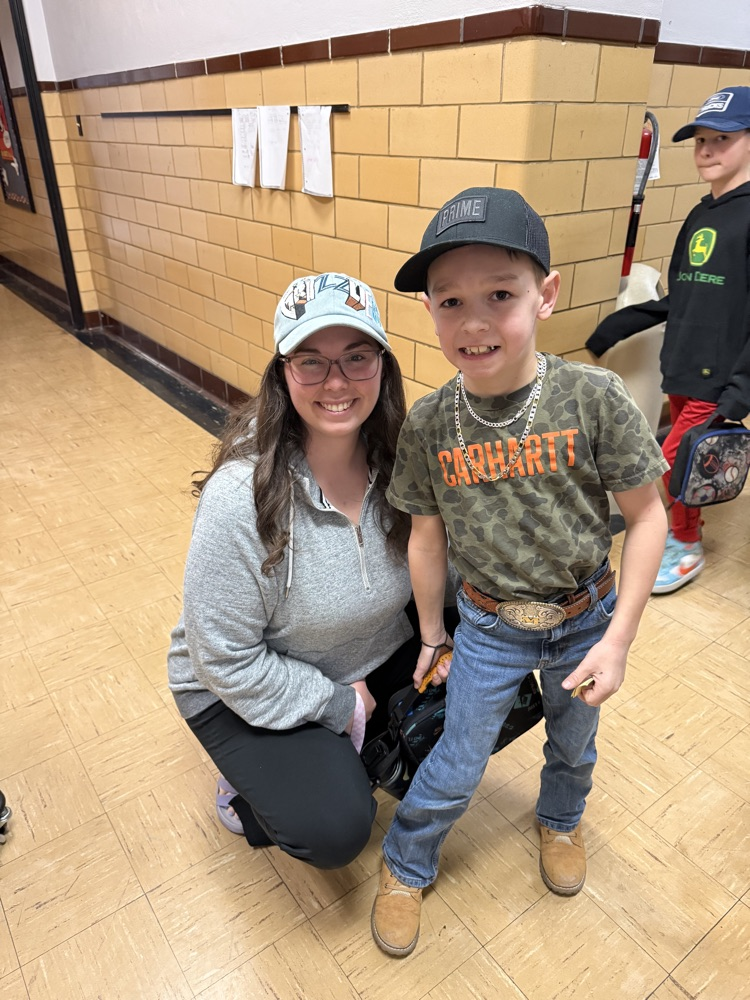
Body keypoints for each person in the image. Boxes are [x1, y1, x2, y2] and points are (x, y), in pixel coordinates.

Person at [369, 187, 669, 957]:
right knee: (459, 757)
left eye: (500, 295)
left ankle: (561, 821)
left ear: (546, 294)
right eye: (449, 302)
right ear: (430, 311)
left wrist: (620, 641)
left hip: (584, 622)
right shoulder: (431, 424)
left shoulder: (592, 399)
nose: (473, 322)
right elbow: (426, 540)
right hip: (490, 628)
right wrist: (434, 635)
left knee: (574, 745)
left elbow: (646, 518)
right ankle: (406, 863)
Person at [168, 272, 440, 869]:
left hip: (365, 649)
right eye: (311, 361)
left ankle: (345, 751)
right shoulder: (241, 496)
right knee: (337, 828)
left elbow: (441, 569)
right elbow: (223, 657)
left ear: (383, 367)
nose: (336, 382)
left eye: (356, 358)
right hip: (239, 681)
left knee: (484, 646)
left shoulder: (402, 461)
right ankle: (251, 786)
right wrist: (340, 705)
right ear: (283, 373)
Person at [587, 86, 750, 594]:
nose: (706, 150)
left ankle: (685, 545)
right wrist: (618, 325)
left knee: (672, 463)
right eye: (700, 139)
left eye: (721, 139)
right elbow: (680, 293)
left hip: (719, 379)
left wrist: (739, 393)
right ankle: (686, 529)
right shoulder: (702, 214)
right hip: (682, 366)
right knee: (691, 464)